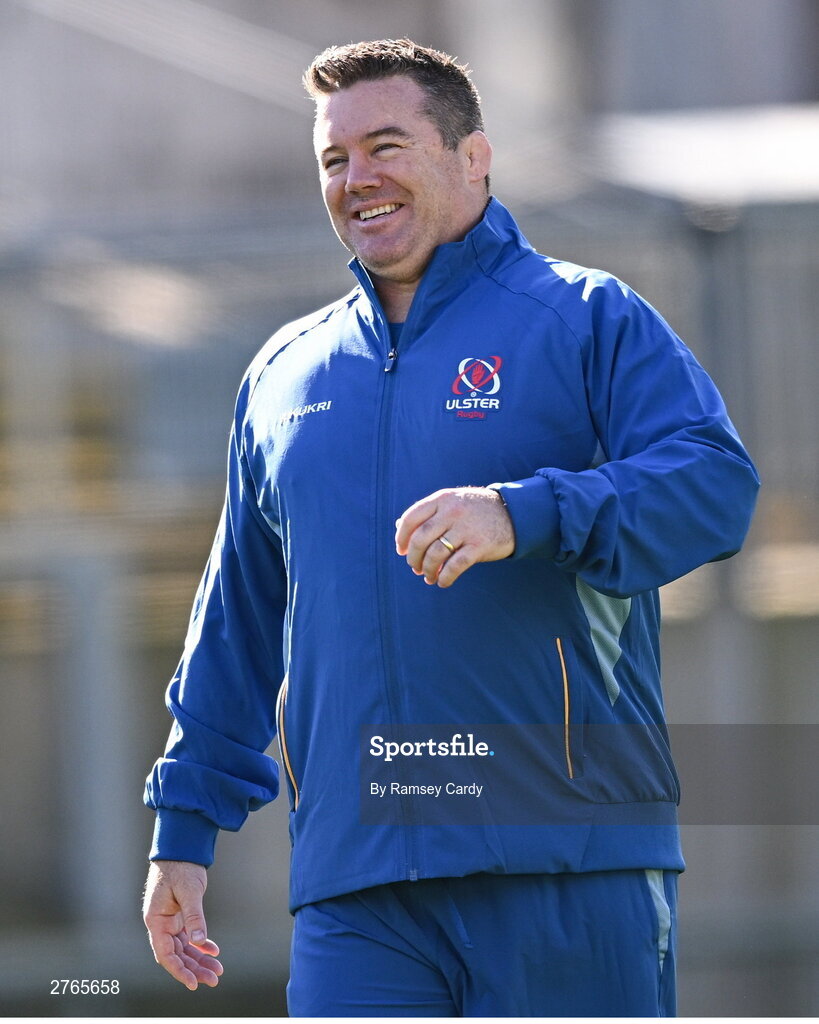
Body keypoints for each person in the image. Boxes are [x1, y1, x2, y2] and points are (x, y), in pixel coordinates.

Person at [142, 38, 759, 1016]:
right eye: (334, 160)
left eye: (386, 145)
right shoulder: (282, 375)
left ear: (474, 156)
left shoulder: (588, 319)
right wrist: (182, 830)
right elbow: (238, 622)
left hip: (568, 870)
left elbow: (716, 486)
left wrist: (528, 512)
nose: (358, 179)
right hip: (360, 892)